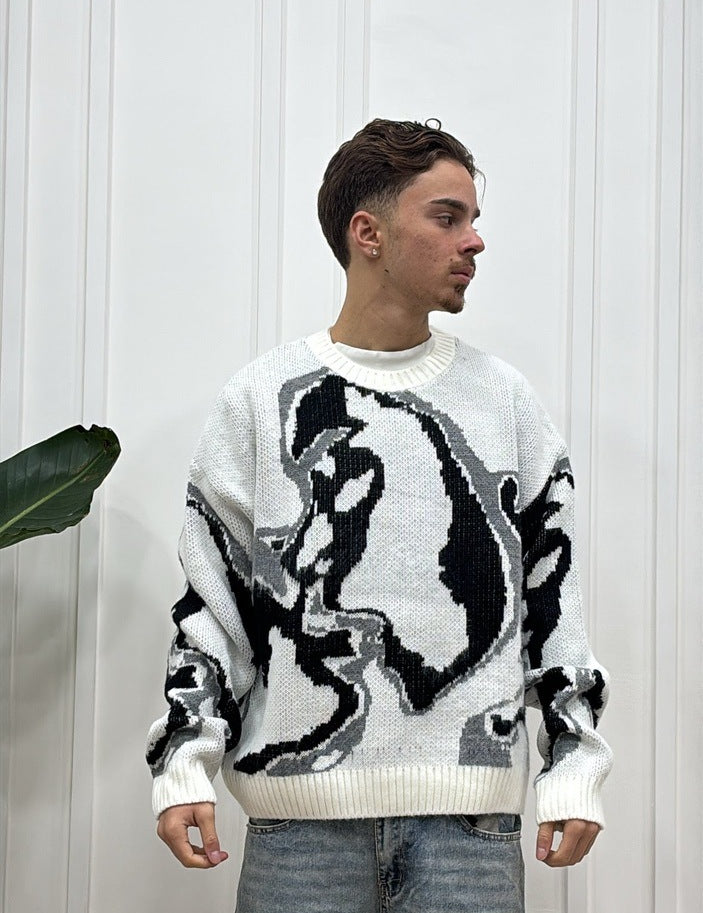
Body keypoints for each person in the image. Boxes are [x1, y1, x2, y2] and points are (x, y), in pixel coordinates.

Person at [146, 118, 613, 912]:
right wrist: (184, 761)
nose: (474, 241)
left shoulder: (503, 402)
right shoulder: (261, 399)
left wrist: (573, 765)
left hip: (469, 830)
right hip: (298, 833)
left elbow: (551, 598)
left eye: (472, 219)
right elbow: (213, 603)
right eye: (447, 216)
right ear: (368, 233)